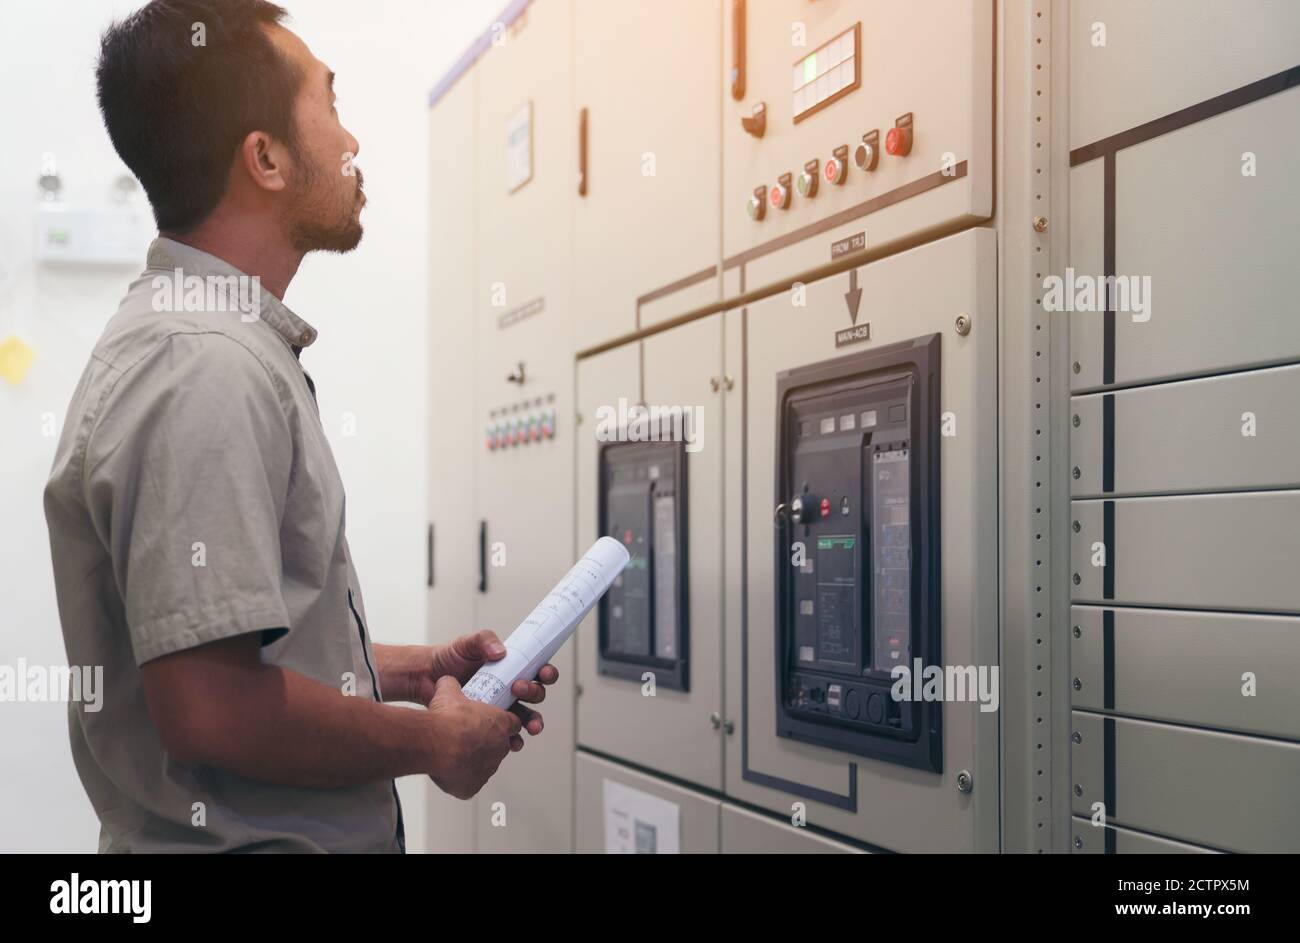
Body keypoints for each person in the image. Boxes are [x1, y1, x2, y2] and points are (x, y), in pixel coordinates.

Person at [42, 0, 551, 853]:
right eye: (332, 104)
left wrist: (411, 672)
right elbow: (212, 706)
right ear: (266, 158)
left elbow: (242, 653)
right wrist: (435, 742)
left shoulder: (208, 343)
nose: (351, 143)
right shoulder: (201, 365)